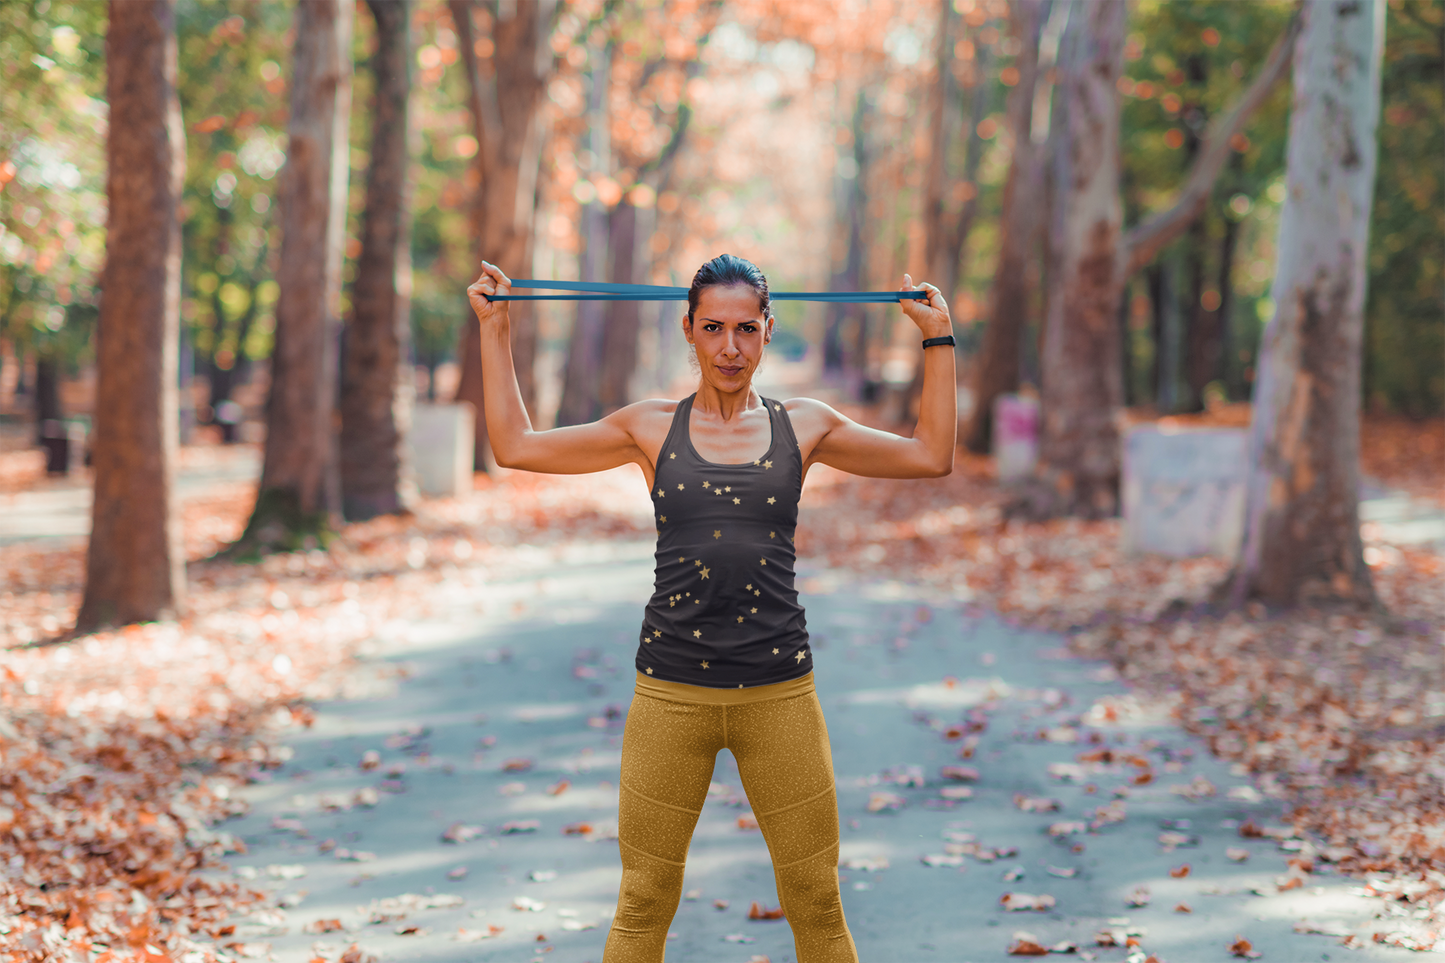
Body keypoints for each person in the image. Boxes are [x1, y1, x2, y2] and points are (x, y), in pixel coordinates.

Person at [467, 253, 956, 963]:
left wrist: (937, 340)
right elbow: (515, 447)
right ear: (688, 331)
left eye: (746, 329)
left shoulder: (806, 425)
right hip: (670, 694)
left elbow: (930, 454)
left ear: (766, 331)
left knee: (816, 900)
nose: (730, 347)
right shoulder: (647, 426)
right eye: (713, 328)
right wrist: (496, 329)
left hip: (778, 693)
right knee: (642, 901)